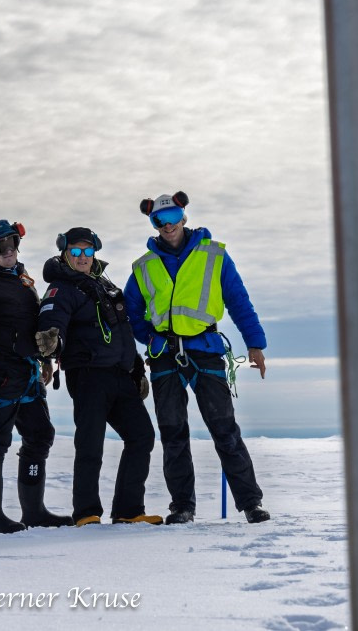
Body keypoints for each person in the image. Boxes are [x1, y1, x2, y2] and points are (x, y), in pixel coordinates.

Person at [124, 191, 271, 525]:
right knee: (173, 433)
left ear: (184, 216)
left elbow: (239, 301)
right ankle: (182, 506)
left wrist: (255, 344)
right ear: (153, 222)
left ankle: (251, 503)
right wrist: (150, 337)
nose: (168, 225)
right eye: (160, 220)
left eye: (173, 216)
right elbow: (132, 312)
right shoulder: (144, 267)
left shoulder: (214, 254)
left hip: (205, 350)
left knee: (225, 430)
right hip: (164, 356)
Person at [35, 227, 161, 527]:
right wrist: (52, 340)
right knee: (91, 443)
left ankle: (129, 511)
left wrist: (137, 369)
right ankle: (87, 513)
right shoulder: (62, 287)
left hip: (119, 375)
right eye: (76, 251)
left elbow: (123, 330)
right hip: (88, 375)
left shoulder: (104, 285)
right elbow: (53, 319)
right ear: (65, 253)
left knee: (142, 436)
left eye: (87, 251)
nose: (82, 257)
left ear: (95, 253)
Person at [0, 220, 73, 533]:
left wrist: (44, 359)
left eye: (12, 243)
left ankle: (34, 511)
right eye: (0, 246)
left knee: (40, 435)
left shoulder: (21, 277)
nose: (8, 251)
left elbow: (30, 321)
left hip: (27, 370)